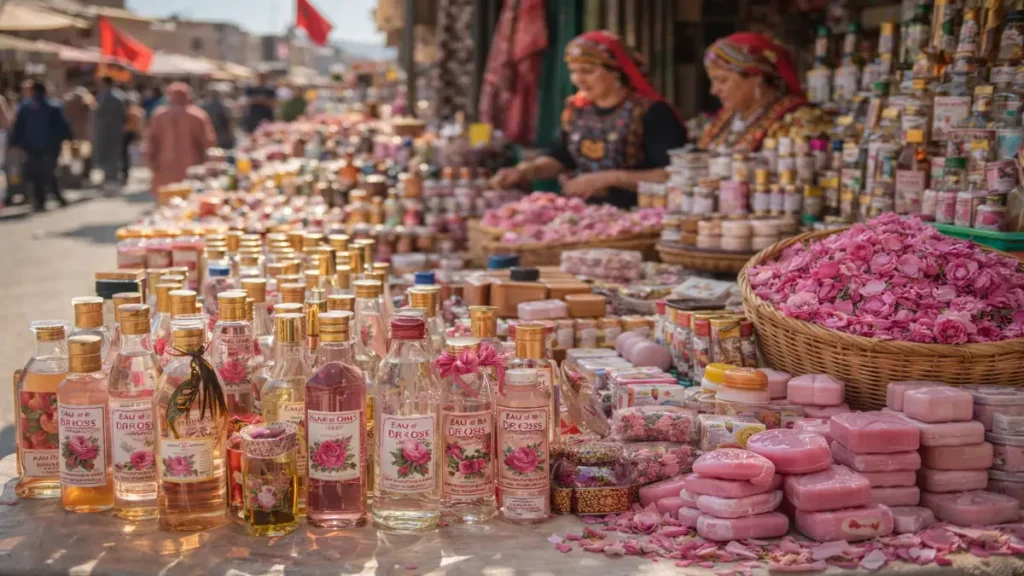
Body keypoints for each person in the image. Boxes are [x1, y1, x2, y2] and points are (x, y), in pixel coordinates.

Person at [491, 30, 686, 208]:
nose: (578, 80)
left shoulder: (652, 113)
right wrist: (525, 171)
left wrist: (608, 179)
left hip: (639, 217)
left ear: (616, 72)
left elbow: (671, 175)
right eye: (573, 71)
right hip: (588, 218)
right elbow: (560, 157)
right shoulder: (578, 110)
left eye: (587, 71)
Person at [697, 32, 823, 152]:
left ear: (756, 78)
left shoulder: (795, 122)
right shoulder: (725, 117)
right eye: (712, 82)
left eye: (722, 80)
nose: (713, 90)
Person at [10, 82, 71, 212]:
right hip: (50, 145)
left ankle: (41, 200)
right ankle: (55, 196)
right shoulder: (54, 105)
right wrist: (68, 138)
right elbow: (63, 125)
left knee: (37, 173)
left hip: (32, 145)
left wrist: (15, 143)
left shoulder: (26, 106)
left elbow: (18, 127)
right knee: (49, 171)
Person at [145, 82, 214, 194]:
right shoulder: (198, 115)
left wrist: (150, 160)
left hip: (164, 165)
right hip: (191, 166)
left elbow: (151, 141)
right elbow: (208, 142)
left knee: (165, 199)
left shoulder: (159, 115)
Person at [92, 76, 126, 194]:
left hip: (107, 130)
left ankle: (111, 180)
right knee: (112, 155)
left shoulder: (105, 96)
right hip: (113, 130)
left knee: (109, 155)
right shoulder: (119, 96)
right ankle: (111, 180)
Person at [122, 93, 144, 181]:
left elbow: (137, 125)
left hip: (130, 134)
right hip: (131, 135)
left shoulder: (134, 112)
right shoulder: (136, 111)